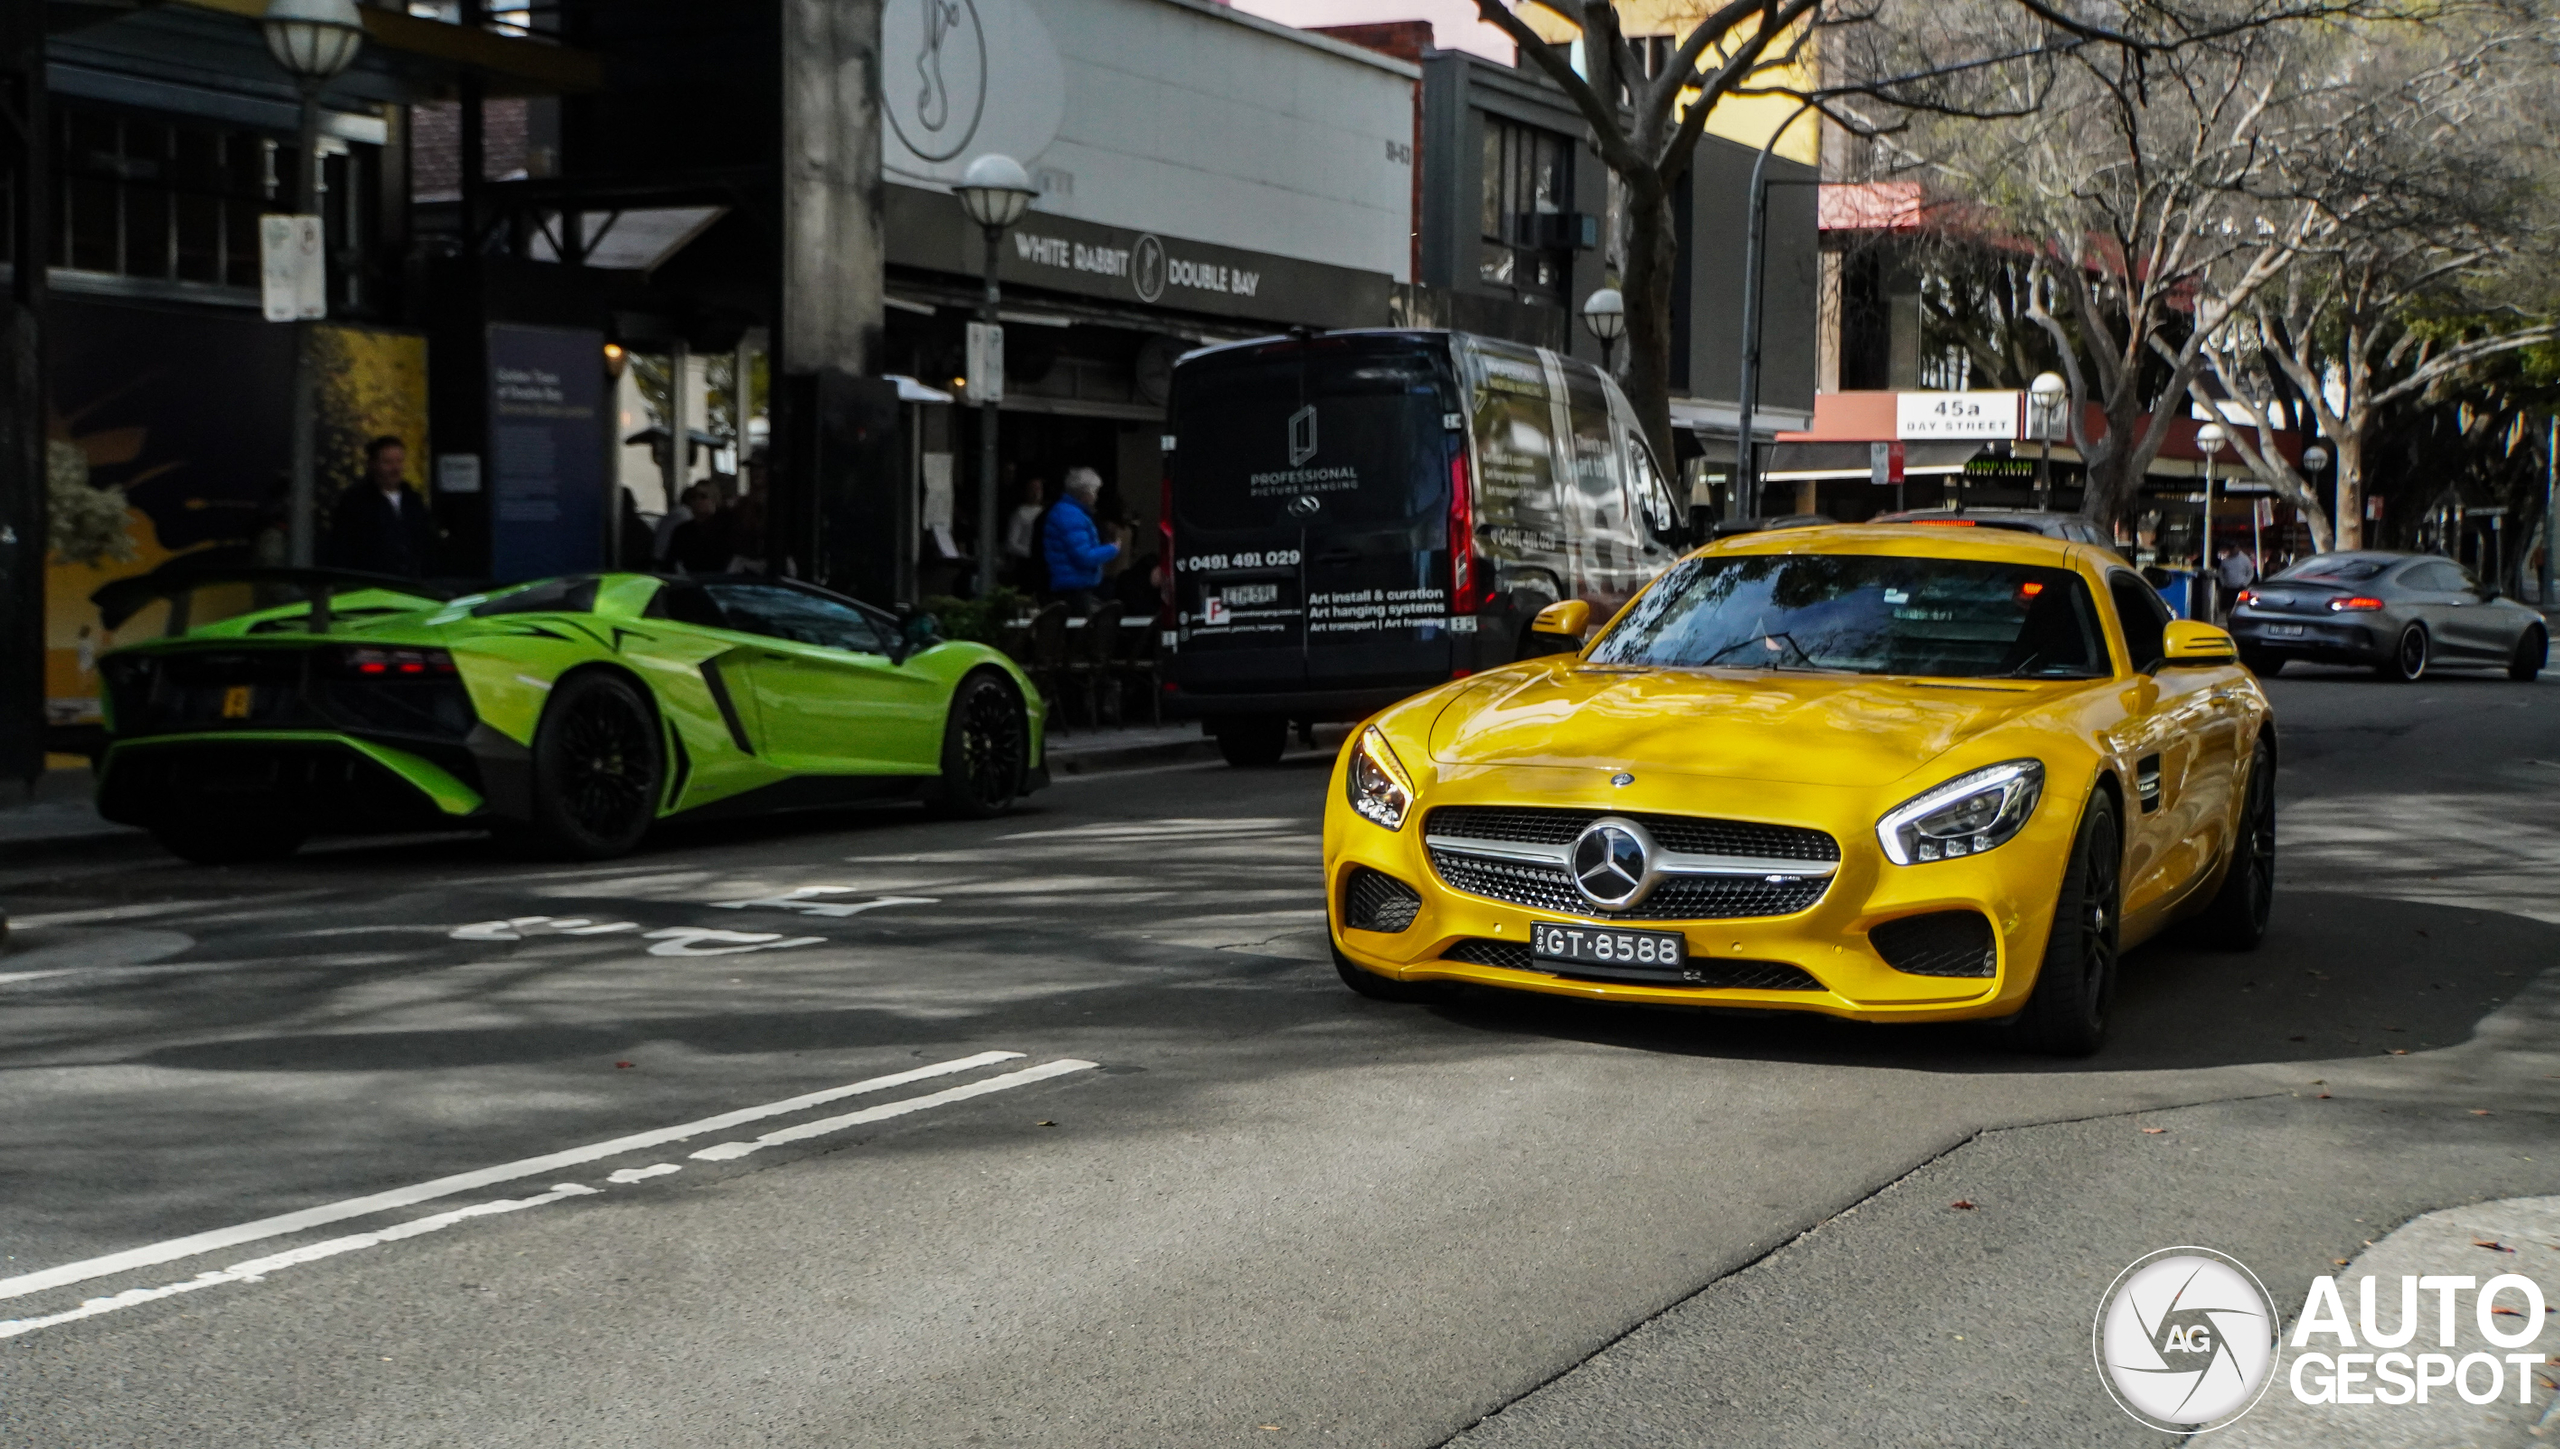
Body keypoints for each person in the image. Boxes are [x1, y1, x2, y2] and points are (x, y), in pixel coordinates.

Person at [322, 436, 438, 578]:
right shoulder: (355, 502)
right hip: (372, 583)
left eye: (399, 461)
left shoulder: (413, 501)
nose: (395, 468)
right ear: (373, 464)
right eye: (388, 462)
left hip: (410, 584)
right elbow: (342, 548)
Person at [1041, 467, 1120, 612]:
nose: (1096, 497)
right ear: (1084, 493)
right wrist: (1112, 549)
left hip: (1069, 584)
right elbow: (1083, 556)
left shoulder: (1066, 511)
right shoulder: (1072, 516)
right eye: (1094, 491)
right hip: (1074, 587)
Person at [664, 483, 734, 574]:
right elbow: (670, 563)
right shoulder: (683, 531)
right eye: (693, 497)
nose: (697, 501)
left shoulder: (727, 529)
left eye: (703, 497)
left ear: (714, 500)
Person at [1003, 473, 1049, 590]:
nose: (1036, 493)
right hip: (1026, 564)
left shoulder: (1047, 513)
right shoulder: (1020, 513)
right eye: (1032, 489)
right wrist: (1032, 553)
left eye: (1038, 489)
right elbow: (1011, 544)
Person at [2215, 544, 2257, 620]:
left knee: (2240, 606)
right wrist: (2223, 583)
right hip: (2228, 588)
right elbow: (2220, 572)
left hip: (2240, 587)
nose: (2231, 551)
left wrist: (2245, 583)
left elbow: (2251, 572)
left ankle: (2239, 620)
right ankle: (2230, 620)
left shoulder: (2245, 559)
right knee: (2229, 607)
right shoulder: (2226, 559)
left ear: (2237, 548)